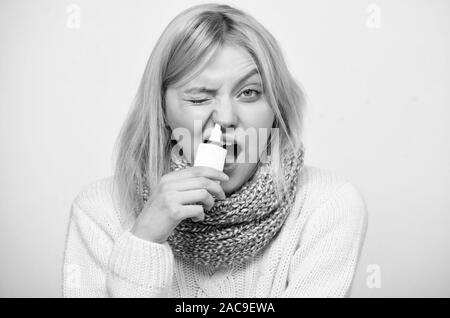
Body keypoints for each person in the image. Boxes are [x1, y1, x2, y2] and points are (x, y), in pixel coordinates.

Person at [62, 3, 368, 298]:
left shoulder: (326, 206)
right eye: (198, 98)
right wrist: (144, 241)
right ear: (162, 113)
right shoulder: (100, 212)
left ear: (277, 107)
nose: (225, 118)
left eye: (249, 93)